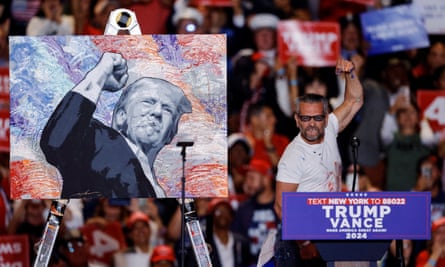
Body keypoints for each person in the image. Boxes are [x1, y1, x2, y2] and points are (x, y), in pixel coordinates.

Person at [40, 52, 192, 198]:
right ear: (121, 117)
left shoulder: (157, 191)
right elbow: (57, 140)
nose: (157, 112)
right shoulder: (98, 139)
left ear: (170, 134)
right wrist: (99, 75)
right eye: (148, 102)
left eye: (167, 110)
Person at [273, 57, 363, 265]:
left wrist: (350, 74)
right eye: (305, 118)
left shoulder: (330, 127)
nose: (311, 124)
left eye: (317, 118)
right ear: (297, 120)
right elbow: (281, 205)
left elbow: (355, 101)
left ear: (326, 116)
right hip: (303, 237)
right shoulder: (293, 155)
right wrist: (304, 243)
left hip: (330, 228)